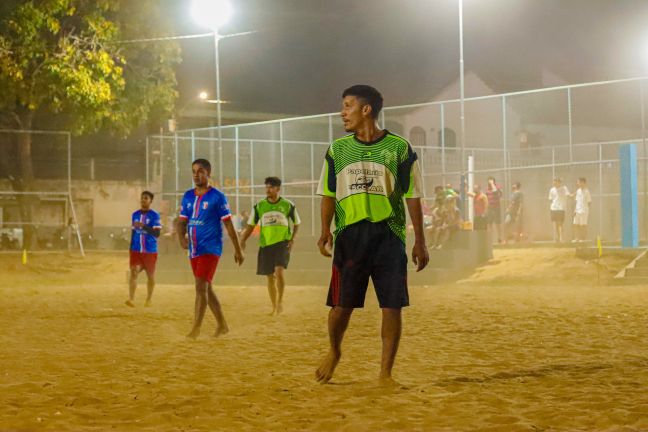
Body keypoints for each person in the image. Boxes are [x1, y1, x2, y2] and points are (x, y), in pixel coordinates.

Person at [315, 85, 429, 385]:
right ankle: (334, 350)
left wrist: (420, 240)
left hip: (388, 236)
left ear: (366, 110)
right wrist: (325, 230)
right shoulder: (337, 150)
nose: (343, 112)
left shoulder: (400, 148)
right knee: (341, 306)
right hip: (350, 237)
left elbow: (413, 196)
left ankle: (385, 373)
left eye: (348, 105)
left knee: (392, 306)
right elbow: (327, 193)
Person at [176, 158, 244, 339]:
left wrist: (238, 249)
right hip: (194, 249)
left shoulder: (217, 197)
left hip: (211, 248)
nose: (196, 175)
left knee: (200, 287)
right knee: (206, 287)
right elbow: (181, 221)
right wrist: (181, 237)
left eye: (200, 171)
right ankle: (222, 325)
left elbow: (228, 224)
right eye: (193, 171)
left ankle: (195, 329)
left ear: (208, 173)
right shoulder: (188, 196)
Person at [240, 176, 301, 315]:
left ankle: (280, 302)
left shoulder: (287, 205)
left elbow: (297, 223)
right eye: (266, 187)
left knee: (279, 272)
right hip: (266, 245)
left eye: (271, 187)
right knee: (269, 277)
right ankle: (274, 307)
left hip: (282, 244)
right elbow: (250, 226)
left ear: (278, 189)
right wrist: (242, 240)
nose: (268, 190)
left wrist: (292, 239)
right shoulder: (259, 206)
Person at [126, 191, 161, 307]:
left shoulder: (155, 216)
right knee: (134, 271)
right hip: (136, 250)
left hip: (150, 251)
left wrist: (143, 226)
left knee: (150, 277)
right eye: (142, 198)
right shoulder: (134, 215)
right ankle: (131, 299)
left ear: (150, 201)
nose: (143, 200)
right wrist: (130, 247)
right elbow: (133, 231)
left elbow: (157, 233)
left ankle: (149, 299)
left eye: (146, 198)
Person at [548, 177, 570, 243]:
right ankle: (558, 237)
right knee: (556, 224)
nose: (554, 183)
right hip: (554, 208)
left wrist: (575, 194)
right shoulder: (552, 190)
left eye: (556, 181)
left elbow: (569, 195)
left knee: (560, 223)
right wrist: (552, 206)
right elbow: (550, 199)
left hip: (561, 208)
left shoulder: (564, 188)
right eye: (554, 181)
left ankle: (561, 238)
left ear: (559, 182)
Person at [571, 177, 592, 243]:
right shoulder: (578, 191)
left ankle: (583, 239)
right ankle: (577, 238)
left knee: (583, 225)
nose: (577, 183)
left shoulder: (587, 191)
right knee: (575, 224)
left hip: (584, 211)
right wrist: (575, 210)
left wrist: (585, 210)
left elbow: (589, 202)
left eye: (578, 182)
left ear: (583, 183)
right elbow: (576, 201)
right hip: (577, 211)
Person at [485, 176, 503, 243]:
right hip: (490, 208)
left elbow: (496, 192)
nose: (489, 182)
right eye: (488, 181)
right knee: (489, 224)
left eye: (491, 181)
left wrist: (492, 184)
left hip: (496, 208)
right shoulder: (487, 189)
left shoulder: (497, 187)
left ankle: (499, 238)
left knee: (498, 223)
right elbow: (486, 198)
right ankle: (490, 239)